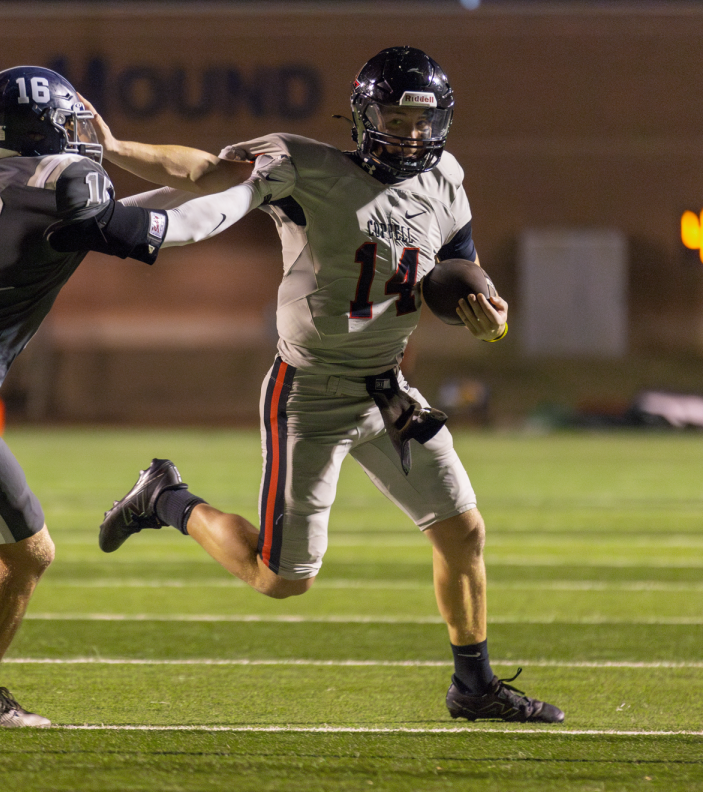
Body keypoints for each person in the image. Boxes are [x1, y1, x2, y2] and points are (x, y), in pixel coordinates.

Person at [92, 46, 565, 724]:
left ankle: (474, 685)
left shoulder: (447, 178)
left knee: (463, 531)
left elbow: (460, 263)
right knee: (282, 578)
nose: (409, 134)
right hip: (309, 392)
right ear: (364, 116)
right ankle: (167, 499)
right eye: (394, 118)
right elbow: (201, 172)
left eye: (420, 121)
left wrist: (489, 312)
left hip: (390, 389)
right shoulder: (303, 166)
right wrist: (112, 148)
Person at [0, 65, 292, 728]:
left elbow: (121, 214)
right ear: (45, 129)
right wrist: (252, 194)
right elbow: (166, 231)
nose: (83, 134)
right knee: (29, 551)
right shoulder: (64, 181)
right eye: (69, 123)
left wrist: (228, 181)